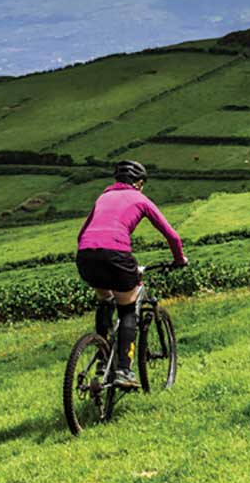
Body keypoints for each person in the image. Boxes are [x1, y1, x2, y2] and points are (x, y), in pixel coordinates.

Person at [75, 160, 186, 389]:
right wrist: (179, 259)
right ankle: (124, 371)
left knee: (105, 300)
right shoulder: (140, 199)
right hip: (116, 255)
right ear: (139, 183)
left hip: (86, 255)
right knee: (127, 309)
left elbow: (81, 234)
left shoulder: (102, 198)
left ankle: (103, 356)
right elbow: (172, 236)